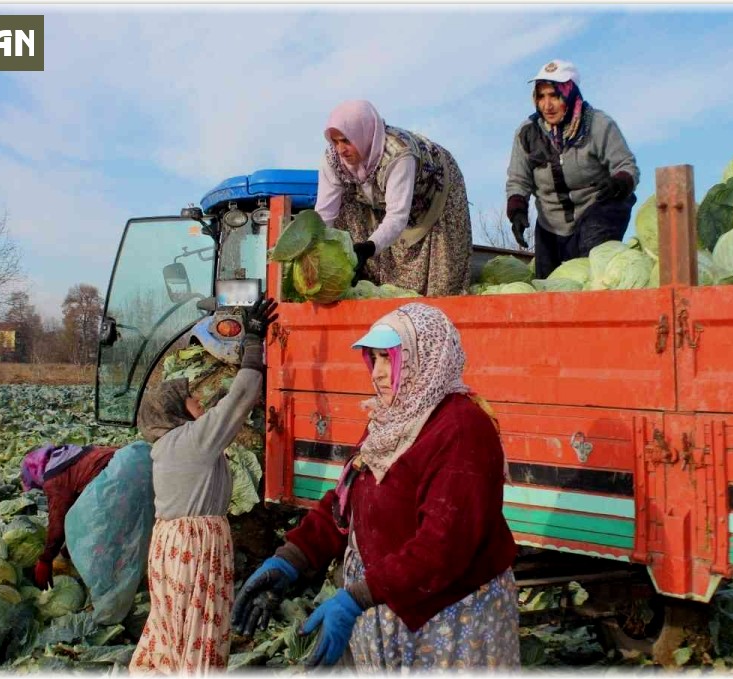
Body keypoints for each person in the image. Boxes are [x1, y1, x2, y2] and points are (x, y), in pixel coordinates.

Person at [232, 303, 520, 670]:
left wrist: (357, 597)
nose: (380, 374)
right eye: (374, 359)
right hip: (388, 603)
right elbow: (348, 501)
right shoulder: (393, 420)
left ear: (427, 358)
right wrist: (291, 559)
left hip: (448, 619)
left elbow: (444, 546)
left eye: (390, 359)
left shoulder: (461, 428)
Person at [128, 297, 278, 674]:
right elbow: (238, 400)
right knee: (201, 627)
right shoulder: (192, 441)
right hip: (195, 547)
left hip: (169, 547)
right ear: (176, 412)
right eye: (193, 400)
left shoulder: (167, 445)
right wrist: (255, 343)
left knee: (173, 627)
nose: (200, 402)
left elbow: (224, 410)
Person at [315, 100, 473, 297]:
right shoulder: (333, 159)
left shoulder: (398, 155)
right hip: (379, 195)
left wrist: (368, 248)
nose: (341, 149)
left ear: (363, 134)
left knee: (441, 280)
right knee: (345, 205)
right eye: (335, 141)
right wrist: (315, 253)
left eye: (346, 141)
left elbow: (397, 217)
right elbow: (324, 213)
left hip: (432, 190)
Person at [505, 59, 641, 279]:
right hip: (551, 221)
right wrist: (517, 210)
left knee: (590, 276)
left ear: (569, 94)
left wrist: (618, 183)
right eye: (541, 96)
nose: (547, 105)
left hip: (595, 209)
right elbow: (518, 179)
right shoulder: (527, 133)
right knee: (548, 285)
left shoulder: (597, 124)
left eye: (555, 96)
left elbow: (626, 166)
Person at [19, 443, 122, 588]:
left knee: (112, 541)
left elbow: (58, 521)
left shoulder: (55, 478)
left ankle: (112, 587)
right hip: (130, 463)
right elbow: (79, 511)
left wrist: (46, 560)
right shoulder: (67, 457)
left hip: (118, 482)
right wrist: (68, 550)